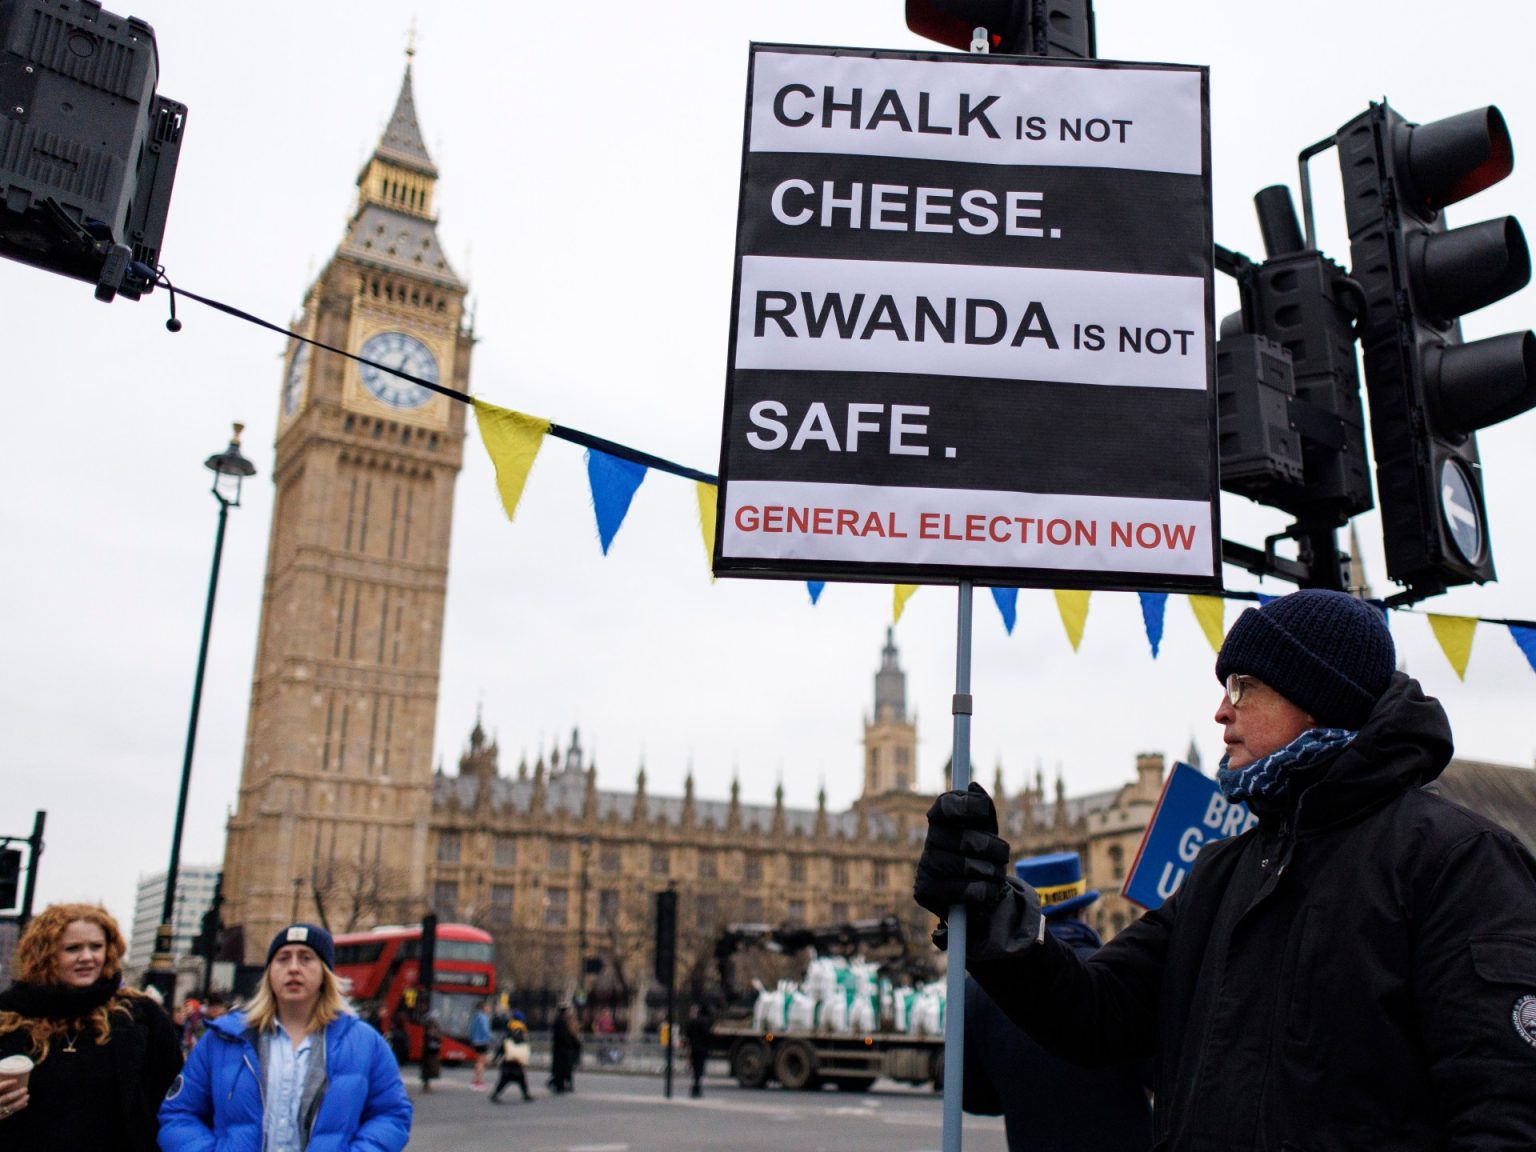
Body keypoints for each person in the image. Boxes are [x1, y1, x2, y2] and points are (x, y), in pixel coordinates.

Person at [915, 589, 1536, 1150]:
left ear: (1315, 702)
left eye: (1244, 686)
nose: (1221, 711)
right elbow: (1096, 1013)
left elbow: (1505, 1110)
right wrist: (993, 910)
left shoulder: (1457, 861)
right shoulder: (1221, 871)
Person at [159, 922, 411, 1152]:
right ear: (269, 973)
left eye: (306, 958)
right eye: (283, 958)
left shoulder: (365, 1042)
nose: (293, 968)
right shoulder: (223, 1040)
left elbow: (391, 1114)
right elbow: (179, 1114)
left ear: (325, 973)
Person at [962, 852, 1152, 1152]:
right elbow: (1159, 1075)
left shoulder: (978, 989)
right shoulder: (1119, 973)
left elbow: (972, 1095)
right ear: (1083, 913)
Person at [0, 903, 182, 1151]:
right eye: (72, 948)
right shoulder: (9, 1016)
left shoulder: (141, 1016)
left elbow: (175, 1104)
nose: (87, 957)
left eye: (96, 946)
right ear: (45, 955)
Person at [489, 1013, 533, 1103]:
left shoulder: (509, 1026)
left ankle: (496, 1094)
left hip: (509, 1059)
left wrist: (496, 1058)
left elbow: (502, 1046)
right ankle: (525, 1095)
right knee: (519, 1077)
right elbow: (521, 1041)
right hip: (515, 1058)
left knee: (507, 1078)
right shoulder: (521, 1028)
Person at [683, 1002, 714, 1099]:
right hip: (701, 1049)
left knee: (695, 1069)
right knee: (699, 1070)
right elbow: (707, 1036)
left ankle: (695, 1088)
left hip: (693, 1048)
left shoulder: (691, 1022)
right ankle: (697, 1088)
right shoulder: (705, 1023)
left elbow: (687, 1035)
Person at [548, 1005, 581, 1094]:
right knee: (562, 1069)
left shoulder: (559, 1021)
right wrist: (572, 1044)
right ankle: (559, 1085)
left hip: (560, 1049)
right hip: (562, 1050)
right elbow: (565, 1036)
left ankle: (559, 1084)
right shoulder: (561, 1022)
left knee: (562, 1069)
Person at [469, 998, 492, 1089]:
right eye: (488, 1006)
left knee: (479, 1061)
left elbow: (472, 1029)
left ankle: (475, 1080)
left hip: (476, 1041)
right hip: (483, 1041)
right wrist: (492, 1038)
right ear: (484, 1008)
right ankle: (478, 1081)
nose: (489, 1008)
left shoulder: (476, 1016)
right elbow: (485, 1030)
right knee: (482, 1062)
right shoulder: (483, 1017)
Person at [419, 1013, 442, 1094]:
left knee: (427, 1068)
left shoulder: (428, 1026)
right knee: (429, 1067)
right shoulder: (431, 1027)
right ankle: (426, 1085)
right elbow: (434, 1037)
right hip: (430, 1051)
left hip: (428, 1050)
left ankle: (426, 1084)